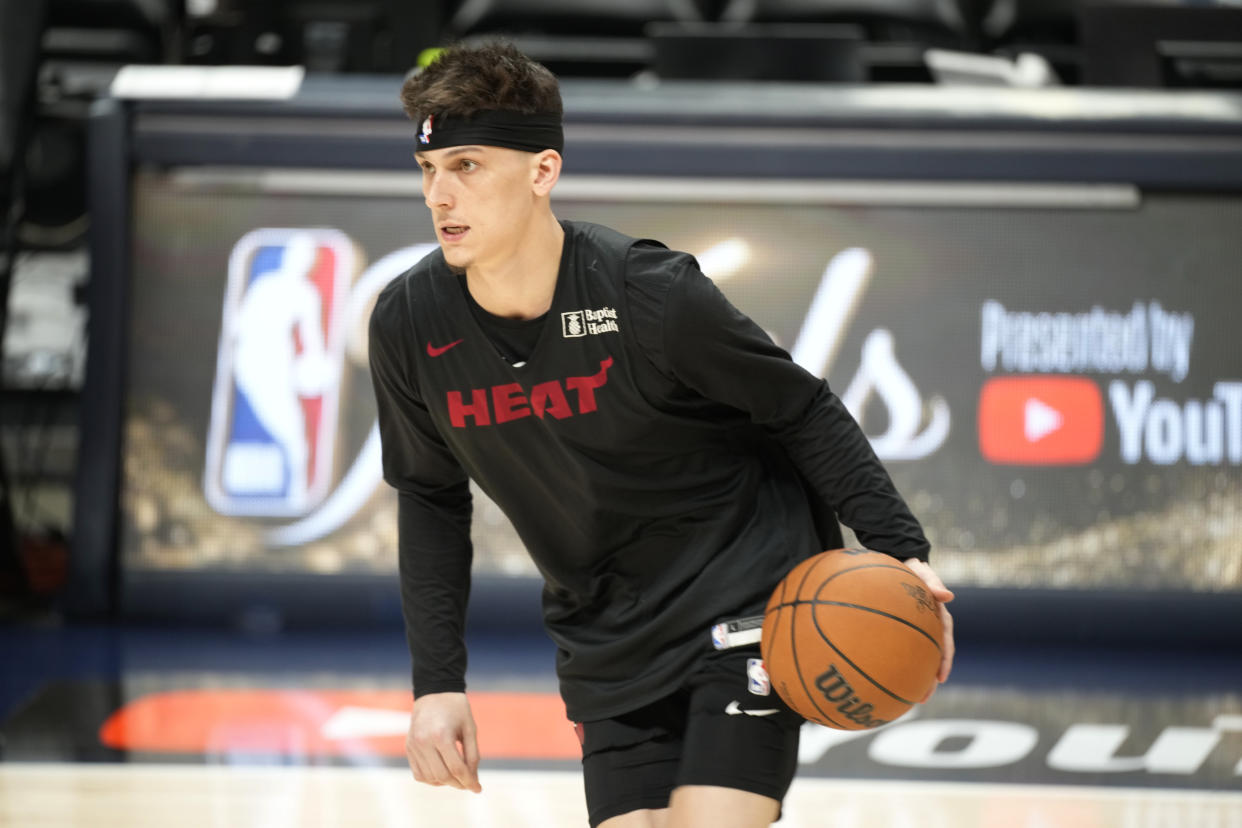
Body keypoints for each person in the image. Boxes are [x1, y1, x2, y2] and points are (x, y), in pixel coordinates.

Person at [368, 41, 955, 828]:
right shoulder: (410, 323)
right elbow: (431, 497)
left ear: (543, 171)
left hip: (746, 596)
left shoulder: (647, 292)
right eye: (429, 171)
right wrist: (437, 684)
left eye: (467, 166)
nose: (441, 194)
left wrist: (901, 552)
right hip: (608, 636)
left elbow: (801, 408)